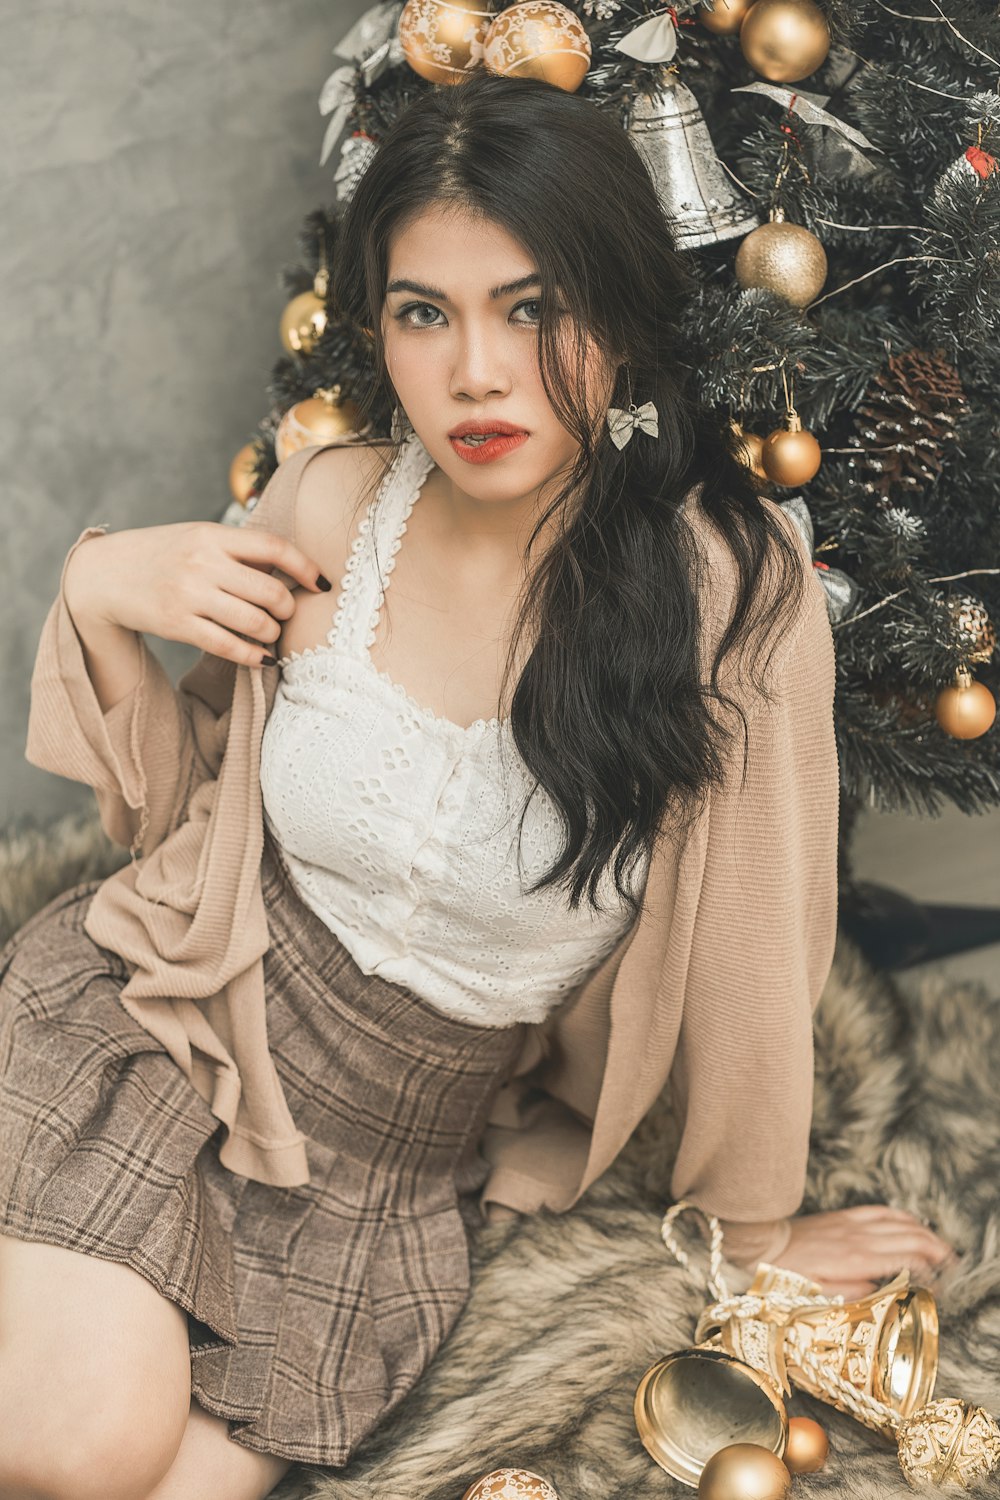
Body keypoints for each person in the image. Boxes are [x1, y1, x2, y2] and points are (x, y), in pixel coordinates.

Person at [0, 69, 955, 1500]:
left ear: (621, 319)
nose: (478, 374)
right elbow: (172, 820)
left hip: (383, 1171)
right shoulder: (332, 504)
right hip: (167, 1033)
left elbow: (757, 952)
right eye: (422, 312)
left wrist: (753, 1235)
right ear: (378, 326)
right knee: (80, 1449)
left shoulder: (731, 600)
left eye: (533, 307)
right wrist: (96, 587)